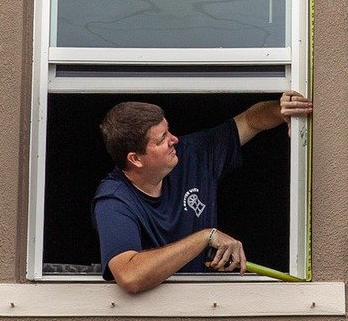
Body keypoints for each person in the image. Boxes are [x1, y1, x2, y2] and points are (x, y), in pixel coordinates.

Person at [92, 92, 313, 294]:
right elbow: (130, 277)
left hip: (207, 302)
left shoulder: (192, 155)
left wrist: (281, 110)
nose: (174, 140)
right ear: (135, 159)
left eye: (168, 130)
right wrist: (205, 237)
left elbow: (249, 120)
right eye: (162, 139)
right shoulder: (114, 199)